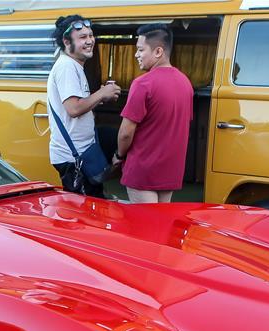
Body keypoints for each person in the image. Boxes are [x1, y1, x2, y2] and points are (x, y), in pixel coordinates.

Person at [113, 24, 192, 203]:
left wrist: (119, 155)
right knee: (161, 226)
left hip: (143, 170)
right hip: (170, 171)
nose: (136, 55)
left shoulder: (143, 84)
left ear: (158, 51)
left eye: (140, 50)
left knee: (144, 227)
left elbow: (125, 133)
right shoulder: (185, 83)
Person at [47, 15, 121, 197]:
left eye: (90, 35)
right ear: (66, 42)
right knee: (83, 216)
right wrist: (102, 93)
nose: (89, 41)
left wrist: (100, 97)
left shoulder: (74, 66)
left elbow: (78, 106)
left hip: (82, 153)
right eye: (82, 38)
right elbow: (74, 109)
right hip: (73, 159)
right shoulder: (66, 67)